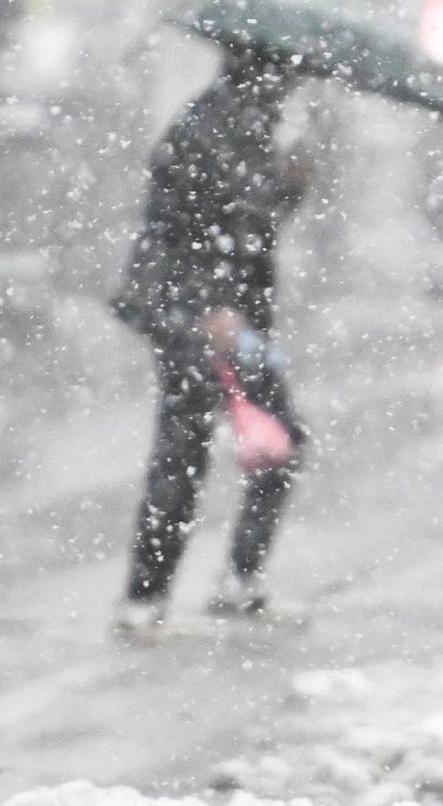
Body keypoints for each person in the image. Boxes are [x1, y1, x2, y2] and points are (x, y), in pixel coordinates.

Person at [107, 48, 319, 637]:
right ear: (266, 71)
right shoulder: (214, 128)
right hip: (192, 312)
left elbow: (246, 223)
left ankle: (225, 581)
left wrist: (289, 188)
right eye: (293, 72)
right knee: (186, 448)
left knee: (272, 440)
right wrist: (211, 305)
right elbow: (191, 228)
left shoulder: (240, 125)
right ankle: (148, 597)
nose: (300, 82)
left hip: (219, 313)